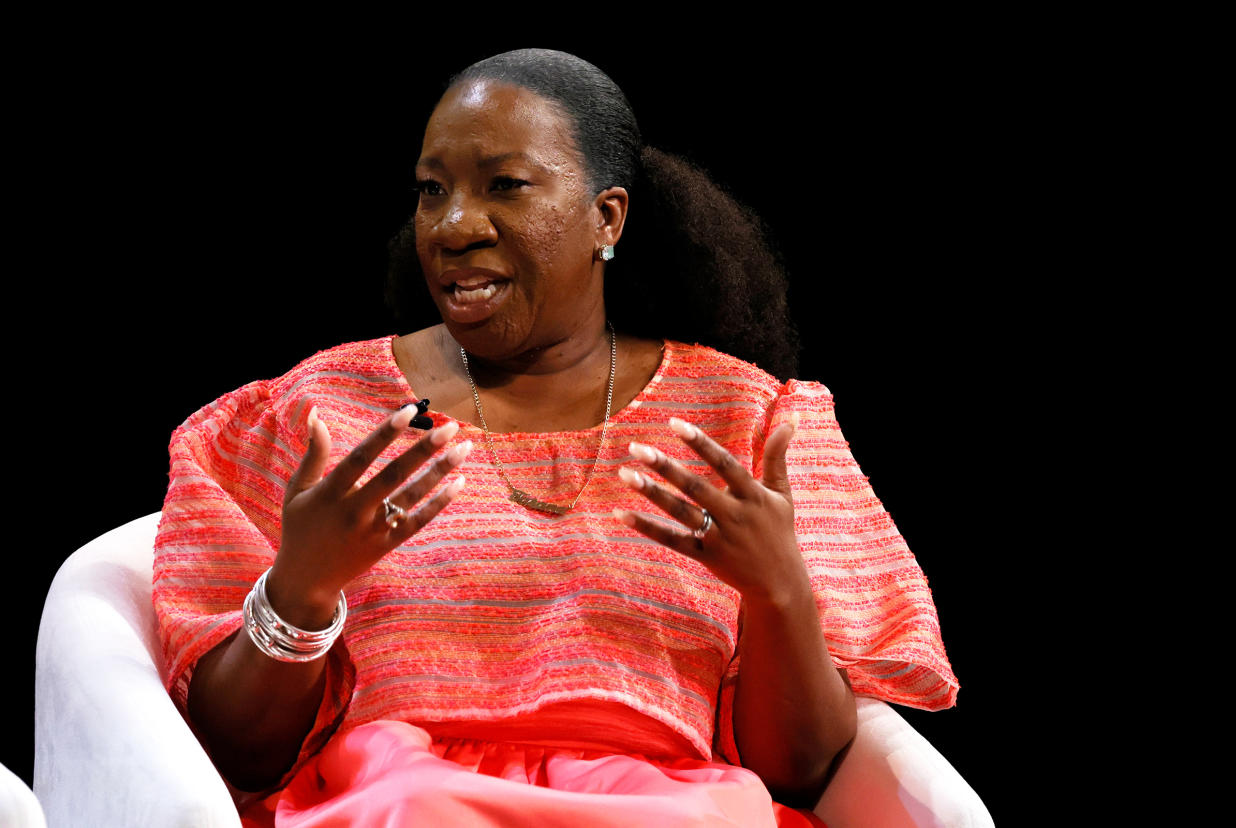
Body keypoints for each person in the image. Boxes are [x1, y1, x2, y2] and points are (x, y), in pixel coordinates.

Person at [154, 48, 958, 827]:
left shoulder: (750, 422)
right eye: (432, 191)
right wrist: (300, 584)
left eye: (505, 185)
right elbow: (236, 754)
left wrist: (778, 590)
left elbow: (803, 773)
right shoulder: (317, 414)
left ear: (605, 216)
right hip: (397, 803)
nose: (453, 226)